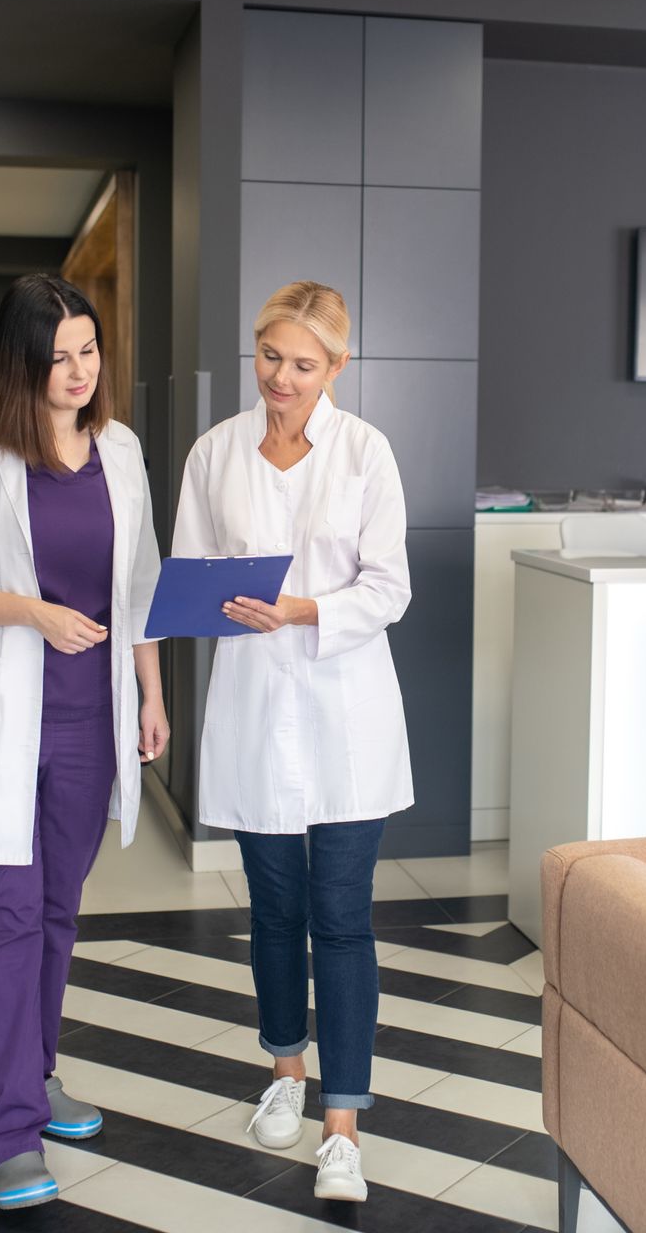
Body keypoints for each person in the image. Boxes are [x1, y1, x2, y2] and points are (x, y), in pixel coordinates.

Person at [0, 274, 168, 1210]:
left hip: (88, 721)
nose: (79, 372)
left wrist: (149, 695)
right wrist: (33, 613)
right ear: (21, 361)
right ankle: (10, 1129)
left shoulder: (124, 451)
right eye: (59, 356)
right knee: (8, 920)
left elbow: (138, 584)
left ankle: (40, 1069)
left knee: (58, 913)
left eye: (90, 351)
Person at [171, 280, 412, 1204]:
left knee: (342, 919)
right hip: (251, 707)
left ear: (337, 368)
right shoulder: (215, 453)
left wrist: (305, 607)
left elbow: (388, 590)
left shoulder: (365, 454)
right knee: (273, 913)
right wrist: (213, 607)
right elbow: (187, 576)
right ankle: (283, 1074)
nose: (280, 378)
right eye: (268, 356)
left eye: (302, 365)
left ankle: (342, 1127)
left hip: (346, 713)